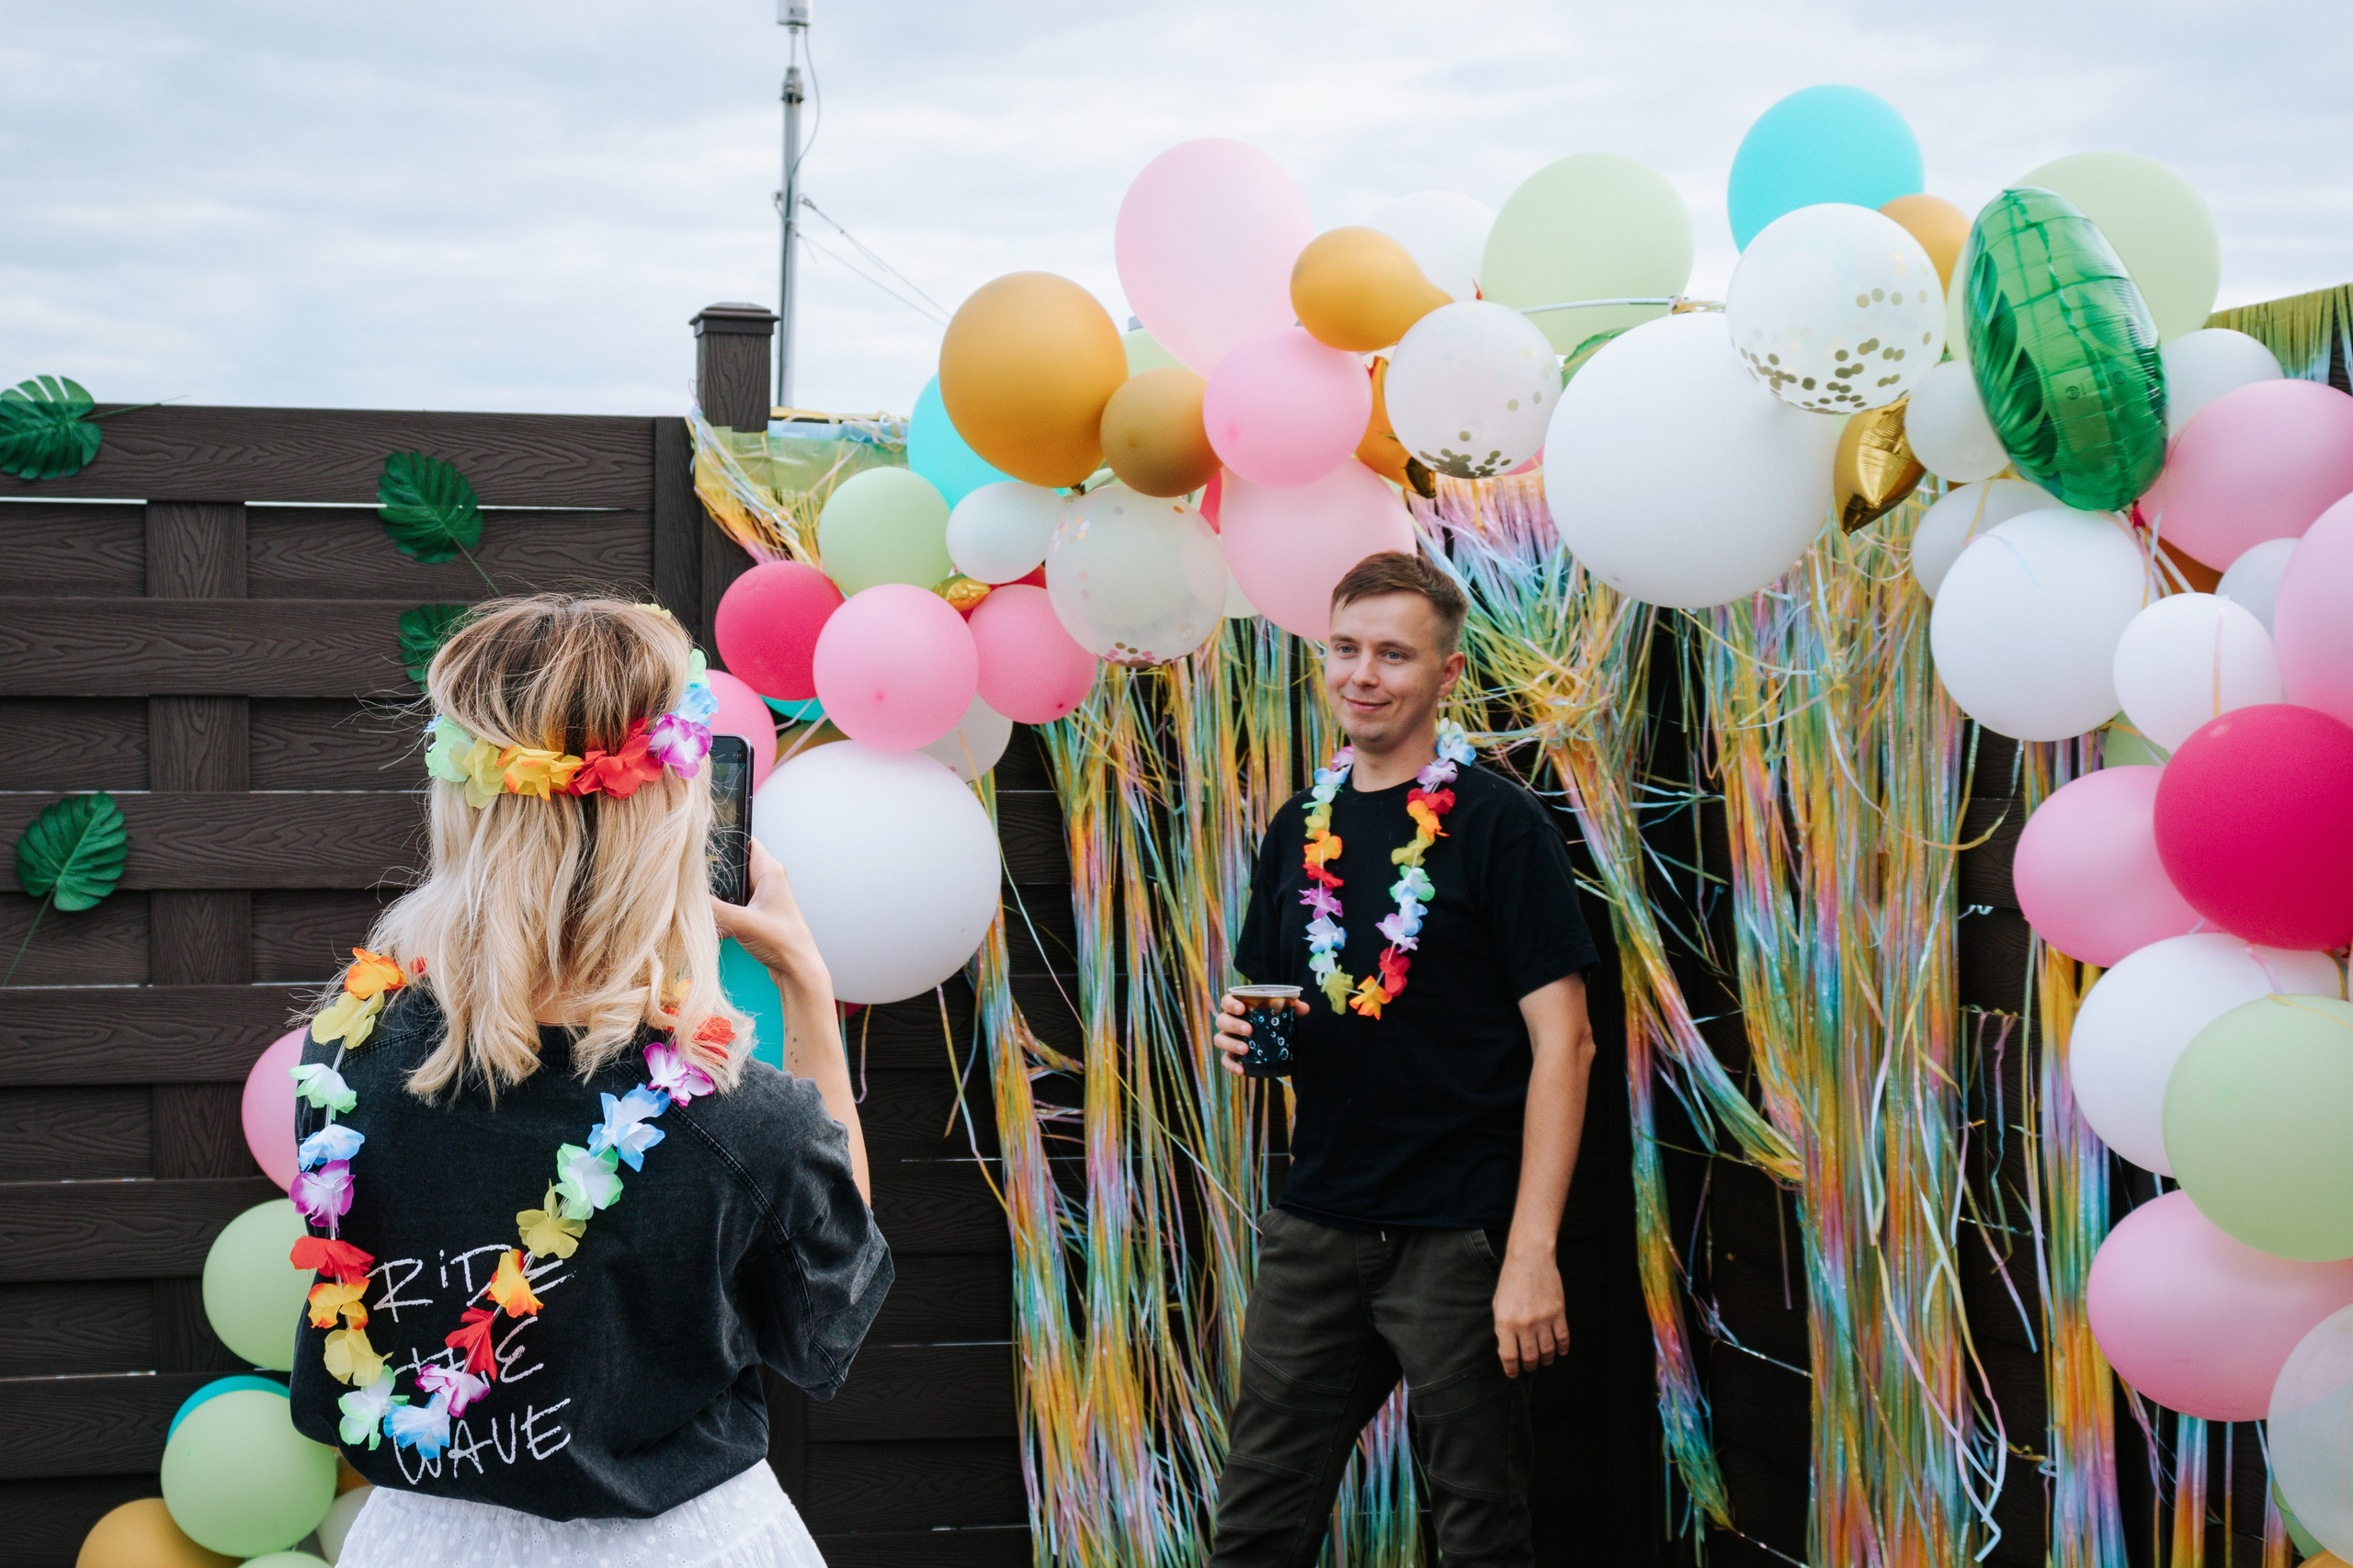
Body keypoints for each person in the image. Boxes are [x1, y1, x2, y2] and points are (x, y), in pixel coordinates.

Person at [287, 596, 890, 1566]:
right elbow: (831, 1298)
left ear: (463, 804)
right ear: (675, 824)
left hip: (419, 1544)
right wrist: (806, 985)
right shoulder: (738, 1116)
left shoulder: (344, 1058)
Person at [1209, 551, 1599, 1568]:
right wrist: (1247, 1040)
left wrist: (1528, 1250)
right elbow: (1290, 1005)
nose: (1362, 674)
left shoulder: (1498, 823)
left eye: (1392, 652)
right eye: (1344, 648)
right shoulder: (1299, 829)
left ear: (1446, 673)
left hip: (1462, 1234)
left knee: (1478, 1529)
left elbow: (1568, 1039)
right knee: (1256, 1518)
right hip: (1320, 1219)